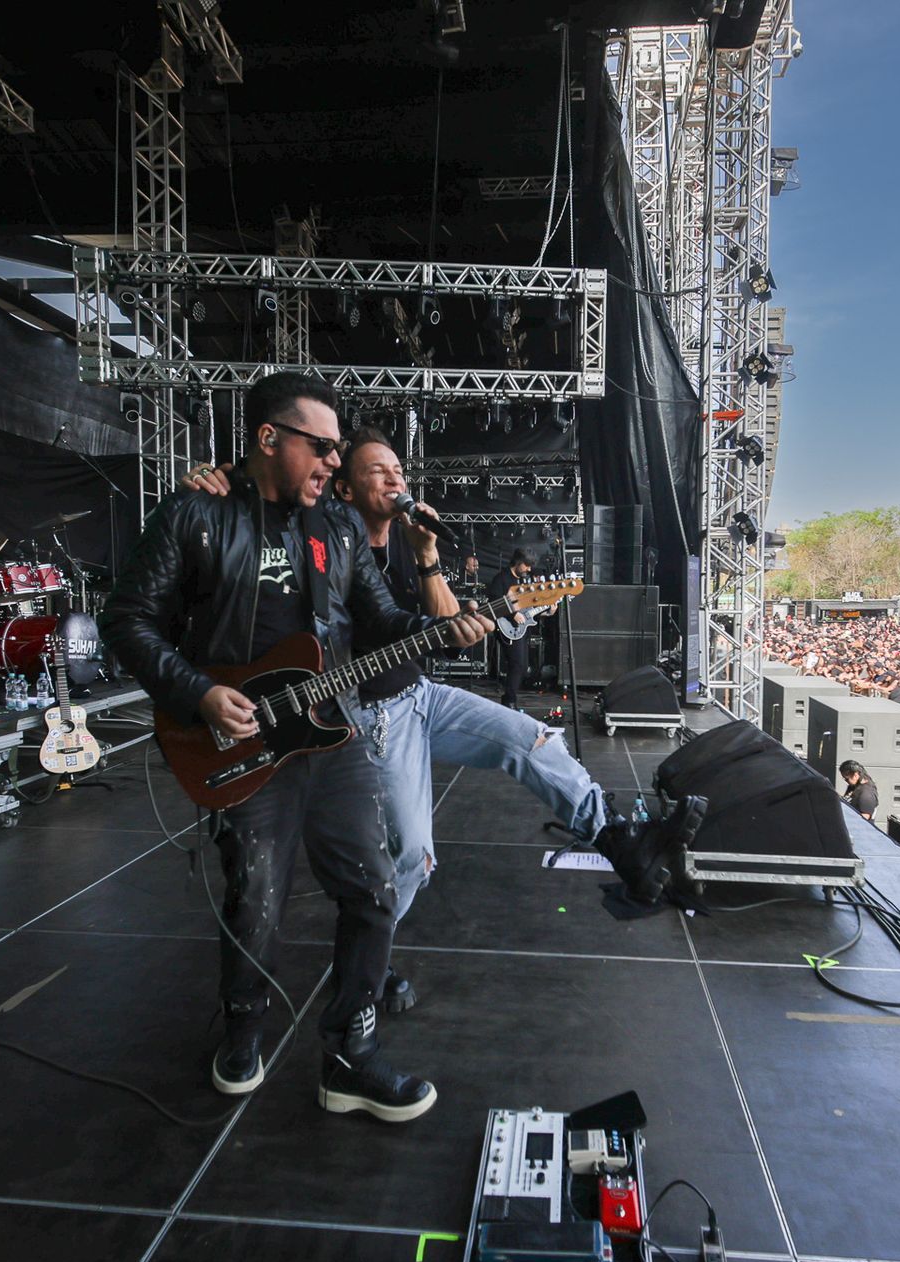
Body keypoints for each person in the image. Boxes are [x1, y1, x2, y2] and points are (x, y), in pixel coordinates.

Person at [176, 434, 707, 1009]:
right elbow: (266, 505)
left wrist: (427, 553)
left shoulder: (410, 544)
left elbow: (449, 629)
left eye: (398, 469)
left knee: (532, 740)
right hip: (372, 713)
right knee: (412, 858)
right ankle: (369, 958)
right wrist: (222, 482)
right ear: (344, 488)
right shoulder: (323, 540)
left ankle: (619, 840)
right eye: (378, 471)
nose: (395, 479)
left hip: (422, 694)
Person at [100, 372, 490, 1123]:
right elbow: (127, 619)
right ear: (268, 437)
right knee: (257, 899)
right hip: (237, 739)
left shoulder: (338, 529)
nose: (334, 462)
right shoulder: (196, 512)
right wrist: (198, 692)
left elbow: (381, 622)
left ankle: (351, 1057)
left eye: (339, 449)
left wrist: (443, 629)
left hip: (330, 735)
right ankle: (242, 1030)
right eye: (322, 446)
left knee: (374, 891)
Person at [488, 547, 537, 709]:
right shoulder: (501, 579)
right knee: (517, 664)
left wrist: (548, 609)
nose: (528, 569)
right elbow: (493, 603)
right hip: (506, 626)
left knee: (522, 666)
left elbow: (530, 607)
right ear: (517, 562)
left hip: (521, 629)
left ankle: (509, 699)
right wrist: (512, 614)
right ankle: (509, 701)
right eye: (526, 565)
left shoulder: (525, 581)